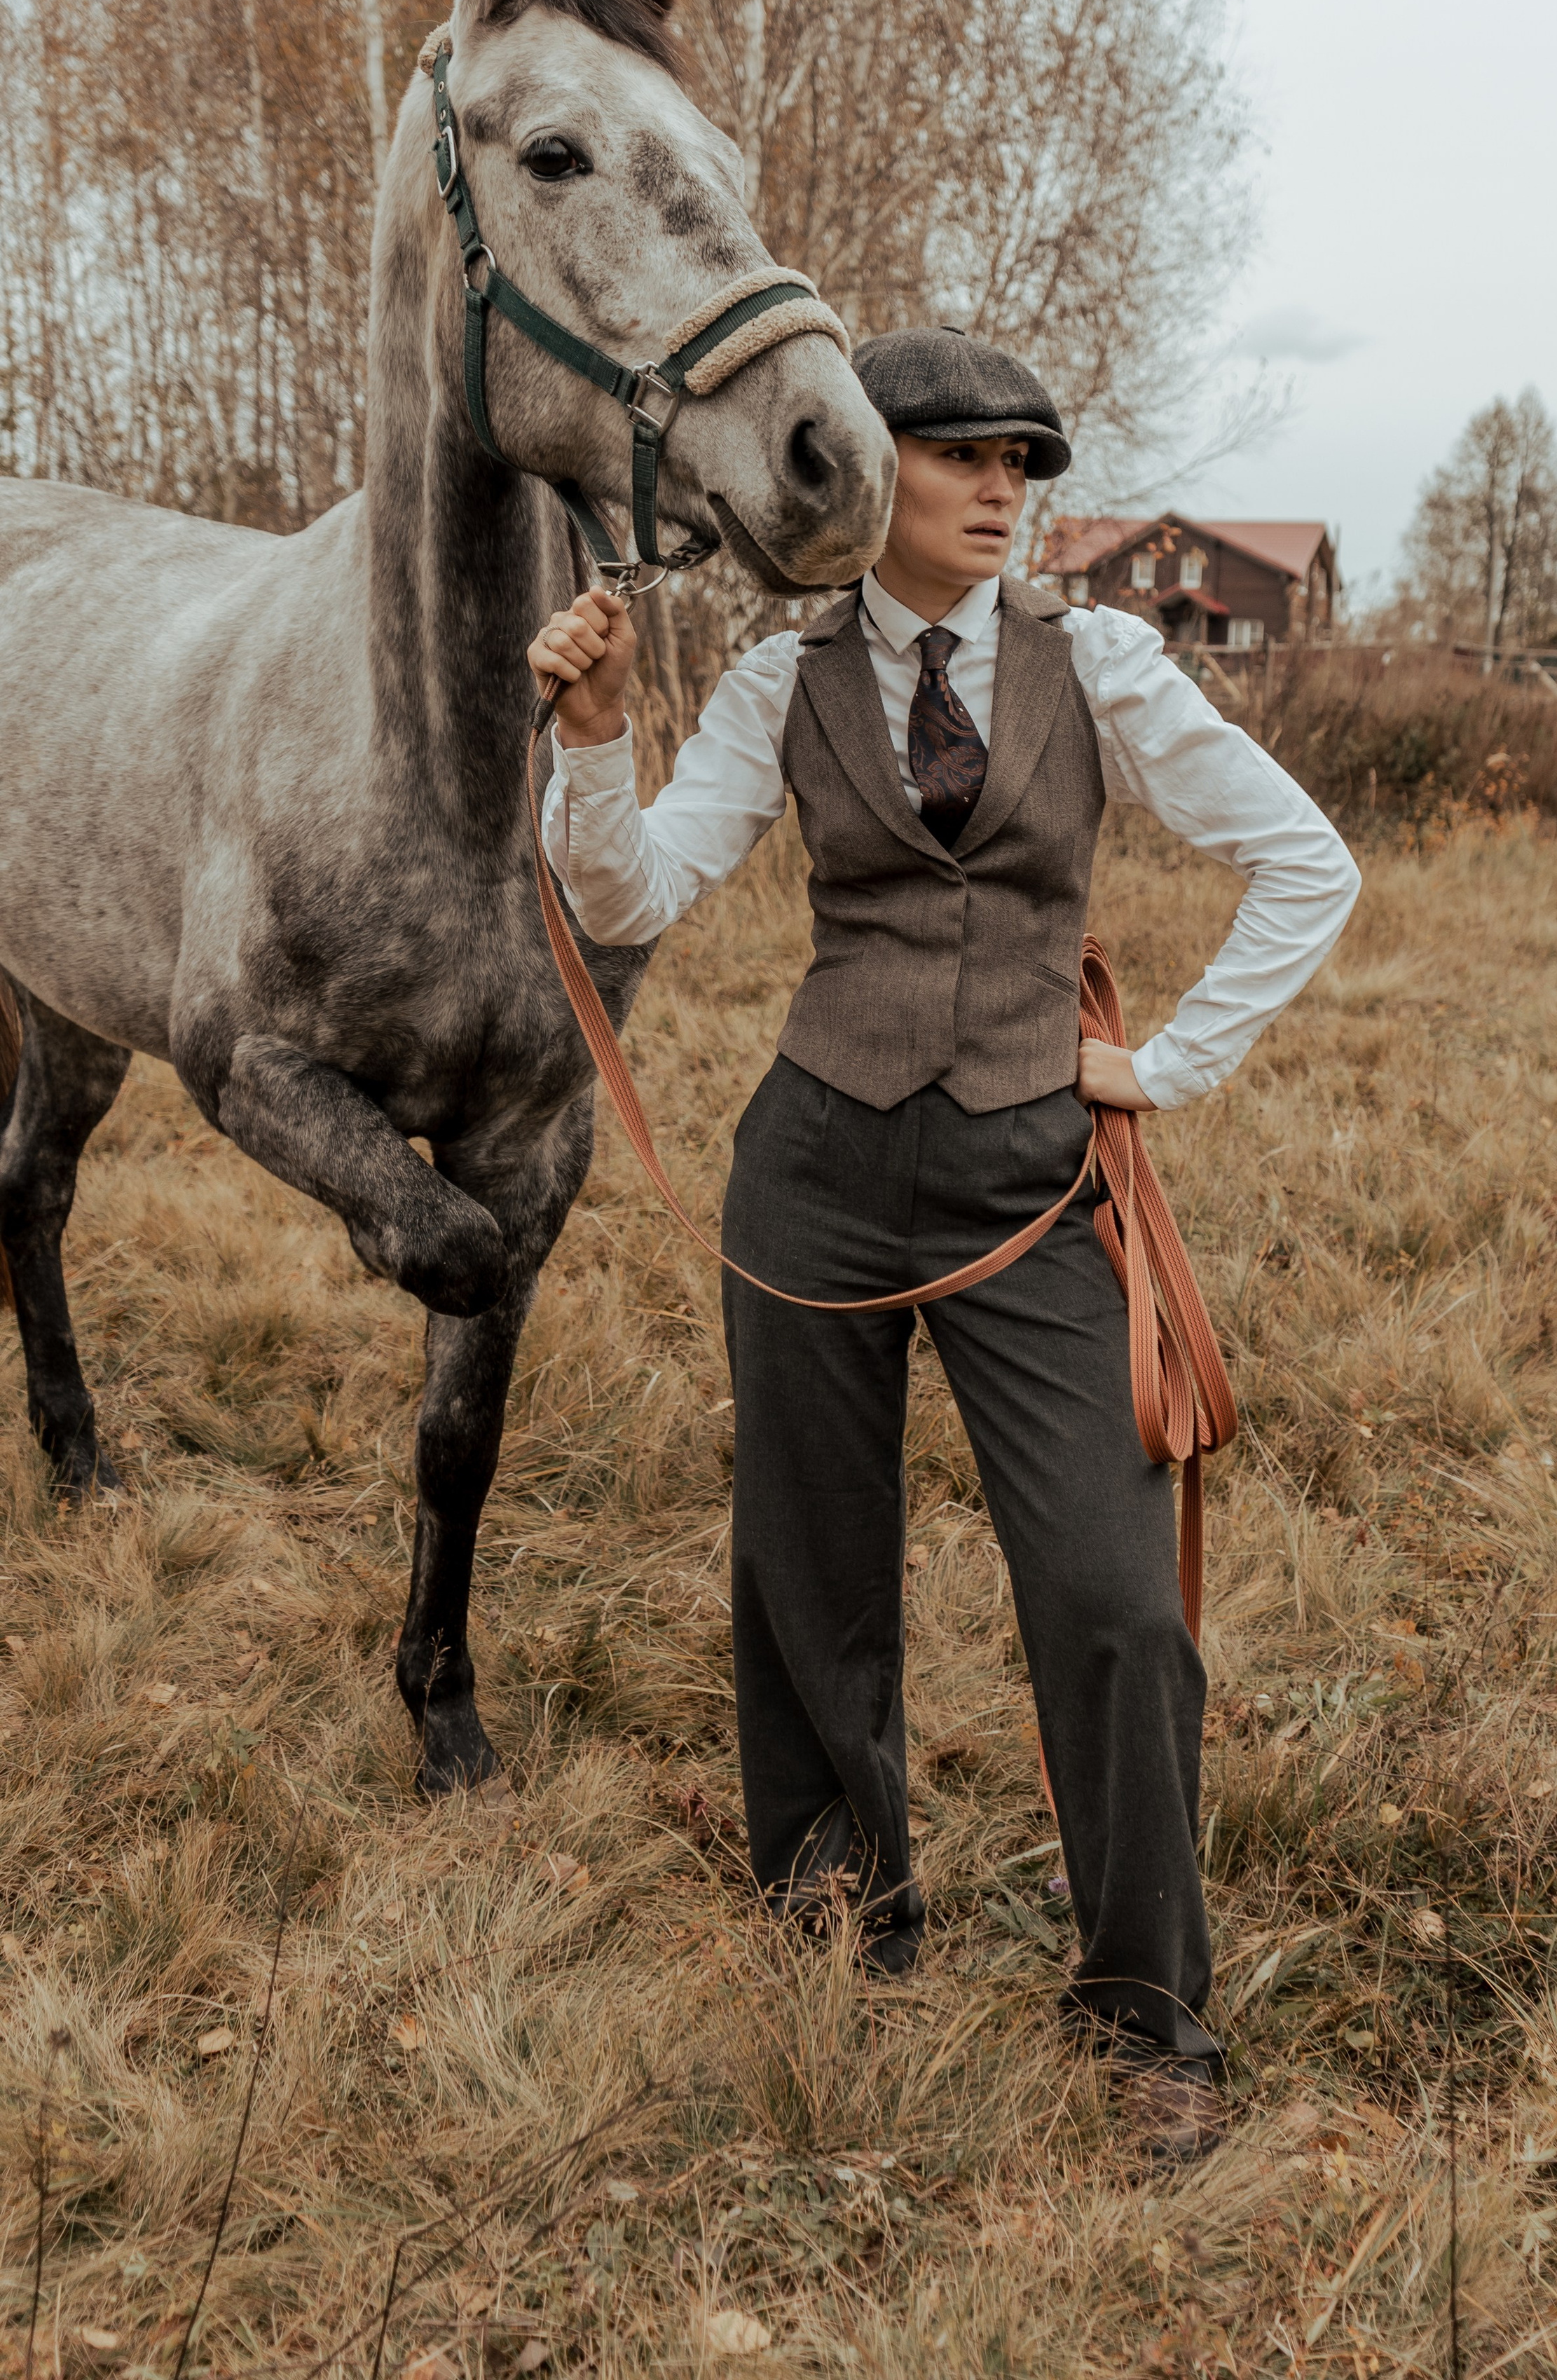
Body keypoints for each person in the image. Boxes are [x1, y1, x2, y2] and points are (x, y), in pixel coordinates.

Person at [529, 327, 1359, 2159]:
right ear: (864, 466)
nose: (1002, 489)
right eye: (964, 454)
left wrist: (1161, 1066)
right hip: (812, 1168)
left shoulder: (1105, 667)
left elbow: (1309, 864)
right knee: (809, 1577)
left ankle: (1151, 2018)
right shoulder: (781, 681)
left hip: (1033, 1192)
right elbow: (630, 893)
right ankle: (839, 1935)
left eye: (1024, 463)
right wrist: (596, 742)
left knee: (1116, 1604)